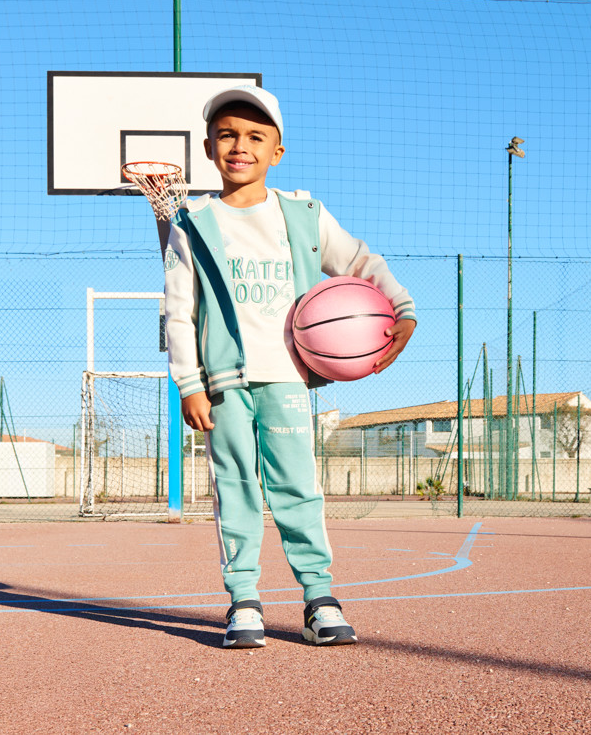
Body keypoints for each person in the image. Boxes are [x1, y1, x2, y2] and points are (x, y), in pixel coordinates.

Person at [163, 84, 416, 649]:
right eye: (227, 134)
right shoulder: (193, 222)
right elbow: (179, 312)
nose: (240, 146)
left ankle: (319, 597)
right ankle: (244, 600)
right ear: (208, 148)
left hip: (288, 377)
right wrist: (188, 383)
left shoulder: (303, 214)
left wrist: (402, 308)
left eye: (256, 136)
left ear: (277, 151)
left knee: (298, 487)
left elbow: (359, 261)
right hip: (224, 385)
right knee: (235, 489)